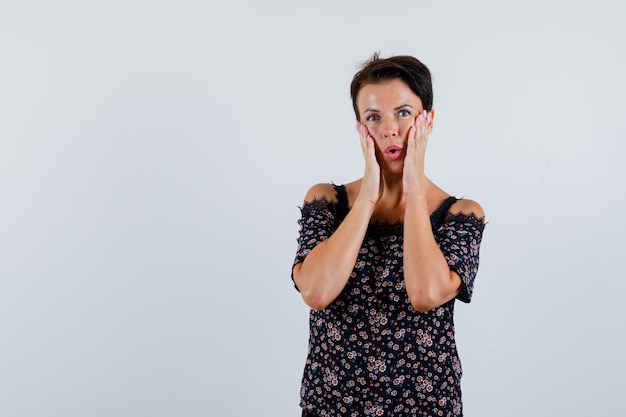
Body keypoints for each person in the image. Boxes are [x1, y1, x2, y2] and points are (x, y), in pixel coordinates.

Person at [291, 54, 486, 417]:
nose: (389, 129)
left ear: (428, 119)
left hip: (425, 408)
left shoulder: (461, 214)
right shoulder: (326, 201)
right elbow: (316, 292)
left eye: (403, 112)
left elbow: (426, 294)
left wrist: (414, 191)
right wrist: (366, 196)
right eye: (373, 117)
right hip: (332, 406)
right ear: (359, 126)